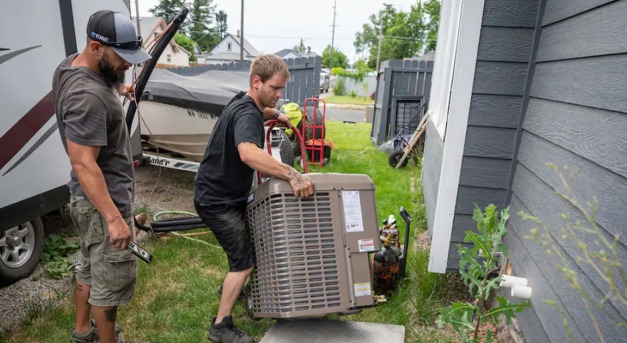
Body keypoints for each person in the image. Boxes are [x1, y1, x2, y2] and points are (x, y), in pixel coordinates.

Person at [194, 54, 315, 343]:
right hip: (218, 201)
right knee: (244, 262)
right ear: (256, 82)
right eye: (275, 88)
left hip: (221, 193)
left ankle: (232, 288)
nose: (279, 94)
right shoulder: (248, 113)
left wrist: (275, 114)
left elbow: (253, 111)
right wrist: (292, 174)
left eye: (282, 89)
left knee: (249, 246)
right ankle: (221, 326)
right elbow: (248, 152)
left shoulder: (243, 102)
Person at [52, 10, 151, 343]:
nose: (128, 65)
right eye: (122, 58)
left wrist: (117, 93)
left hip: (85, 199)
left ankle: (82, 333)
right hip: (101, 203)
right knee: (110, 281)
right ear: (95, 48)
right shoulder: (87, 97)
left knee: (90, 267)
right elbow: (83, 163)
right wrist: (114, 219)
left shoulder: (72, 66)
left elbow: (101, 89)